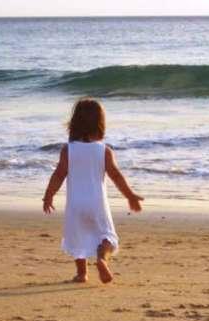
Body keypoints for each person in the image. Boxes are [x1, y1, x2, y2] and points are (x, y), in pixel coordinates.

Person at [42, 98, 144, 283]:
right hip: (97, 204)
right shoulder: (104, 151)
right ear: (100, 124)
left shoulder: (68, 150)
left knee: (78, 237)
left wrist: (48, 196)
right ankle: (102, 259)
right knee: (106, 235)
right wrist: (130, 196)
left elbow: (58, 175)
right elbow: (116, 176)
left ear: (74, 124)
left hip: (75, 204)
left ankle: (82, 273)